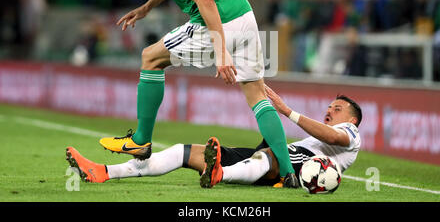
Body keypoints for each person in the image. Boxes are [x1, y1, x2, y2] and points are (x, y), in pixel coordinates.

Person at [97, 0, 298, 187]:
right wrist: (146, 7)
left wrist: (222, 52)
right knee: (257, 94)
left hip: (219, 20)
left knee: (150, 57)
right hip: (245, 15)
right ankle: (288, 175)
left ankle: (141, 141)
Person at [66, 87, 362, 189]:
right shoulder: (331, 130)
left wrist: (288, 112)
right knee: (183, 152)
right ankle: (103, 172)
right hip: (279, 157)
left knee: (274, 154)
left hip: (302, 165)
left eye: (336, 109)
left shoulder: (351, 134)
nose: (329, 110)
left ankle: (220, 174)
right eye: (329, 106)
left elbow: (332, 139)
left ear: (352, 119)